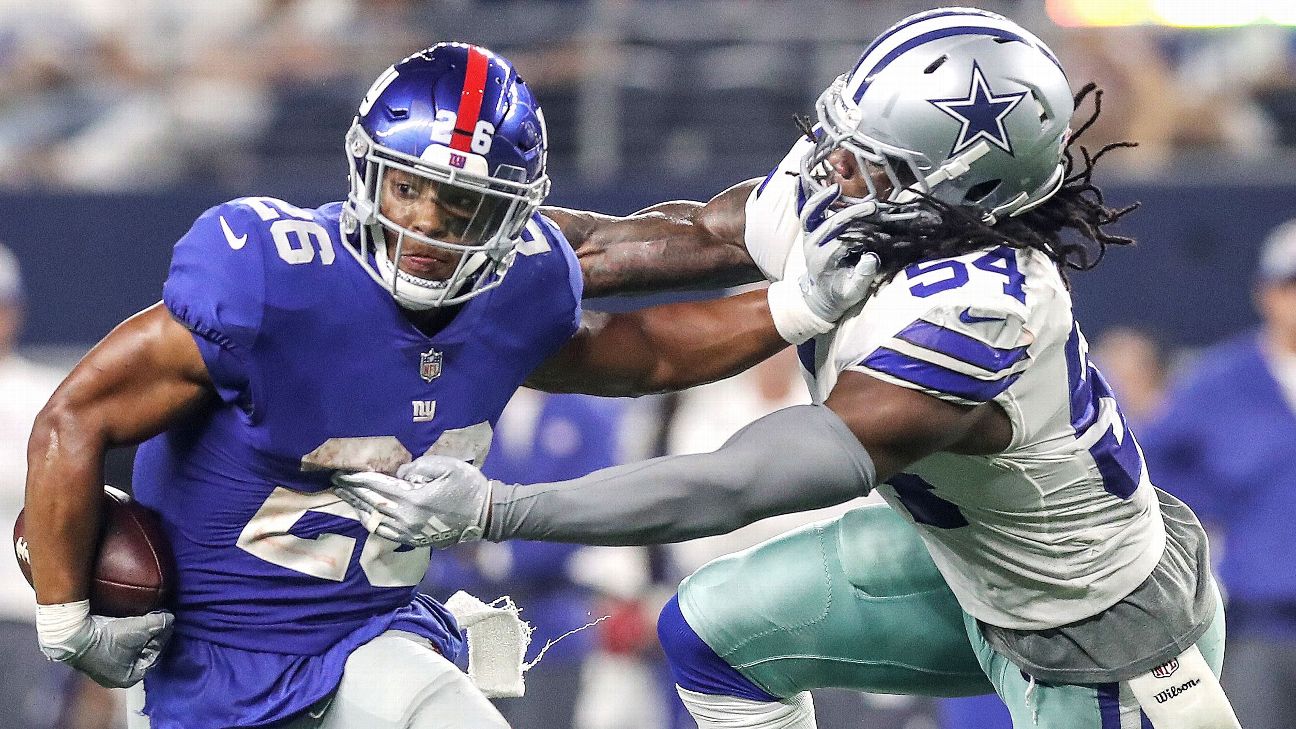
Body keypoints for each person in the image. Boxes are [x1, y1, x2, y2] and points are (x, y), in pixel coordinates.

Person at [332, 9, 1244, 729]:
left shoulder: (979, 315)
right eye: (842, 136)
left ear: (960, 196)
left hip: (1090, 634)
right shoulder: (868, 199)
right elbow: (653, 241)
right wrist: (407, 225)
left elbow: (735, 484)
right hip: (967, 558)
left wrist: (501, 506)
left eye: (869, 165)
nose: (830, 167)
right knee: (713, 636)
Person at [22, 42, 870, 729]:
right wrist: (66, 621)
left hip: (364, 634)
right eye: (410, 188)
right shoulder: (270, 285)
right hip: (217, 663)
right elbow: (73, 416)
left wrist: (793, 304)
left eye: (462, 205)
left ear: (510, 215)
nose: (427, 223)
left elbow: (642, 354)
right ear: (367, 173)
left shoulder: (509, 294)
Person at [1140, 218, 1296, 729]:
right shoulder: (1220, 381)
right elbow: (1149, 471)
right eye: (1291, 285)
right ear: (1266, 293)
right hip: (1259, 622)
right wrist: (1202, 528)